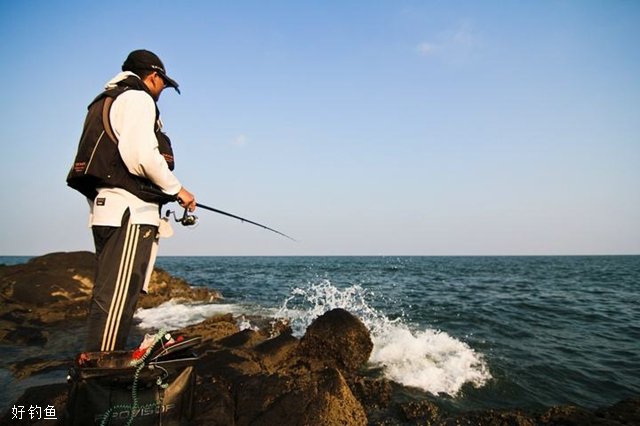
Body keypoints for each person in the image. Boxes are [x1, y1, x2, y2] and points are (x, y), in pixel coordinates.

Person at [67, 49, 196, 352]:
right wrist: (180, 190)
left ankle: (99, 370)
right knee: (116, 300)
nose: (163, 90)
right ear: (153, 77)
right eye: (164, 84)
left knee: (110, 296)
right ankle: (99, 379)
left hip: (110, 211)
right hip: (130, 214)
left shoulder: (107, 99)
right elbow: (141, 156)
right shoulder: (138, 99)